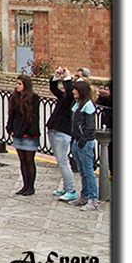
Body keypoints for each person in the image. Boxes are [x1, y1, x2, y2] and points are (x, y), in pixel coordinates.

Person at [6, 75, 41, 196]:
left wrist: (30, 132)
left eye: (20, 84)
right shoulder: (15, 97)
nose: (17, 86)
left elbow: (35, 117)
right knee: (22, 160)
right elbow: (12, 114)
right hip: (17, 131)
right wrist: (10, 128)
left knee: (29, 160)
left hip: (29, 133)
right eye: (17, 83)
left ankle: (31, 186)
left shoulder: (33, 98)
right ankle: (25, 185)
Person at [46, 67, 77, 201]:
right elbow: (54, 89)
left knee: (63, 162)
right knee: (61, 162)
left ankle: (71, 189)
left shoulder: (72, 100)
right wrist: (57, 77)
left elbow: (70, 94)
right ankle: (65, 187)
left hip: (62, 132)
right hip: (54, 129)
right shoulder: (64, 98)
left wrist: (67, 78)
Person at [68, 81, 99, 210]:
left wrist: (82, 140)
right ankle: (84, 196)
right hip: (77, 140)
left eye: (76, 89)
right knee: (82, 170)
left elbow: (90, 127)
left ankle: (93, 199)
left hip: (84, 142)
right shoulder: (77, 104)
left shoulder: (88, 105)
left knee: (88, 171)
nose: (73, 92)